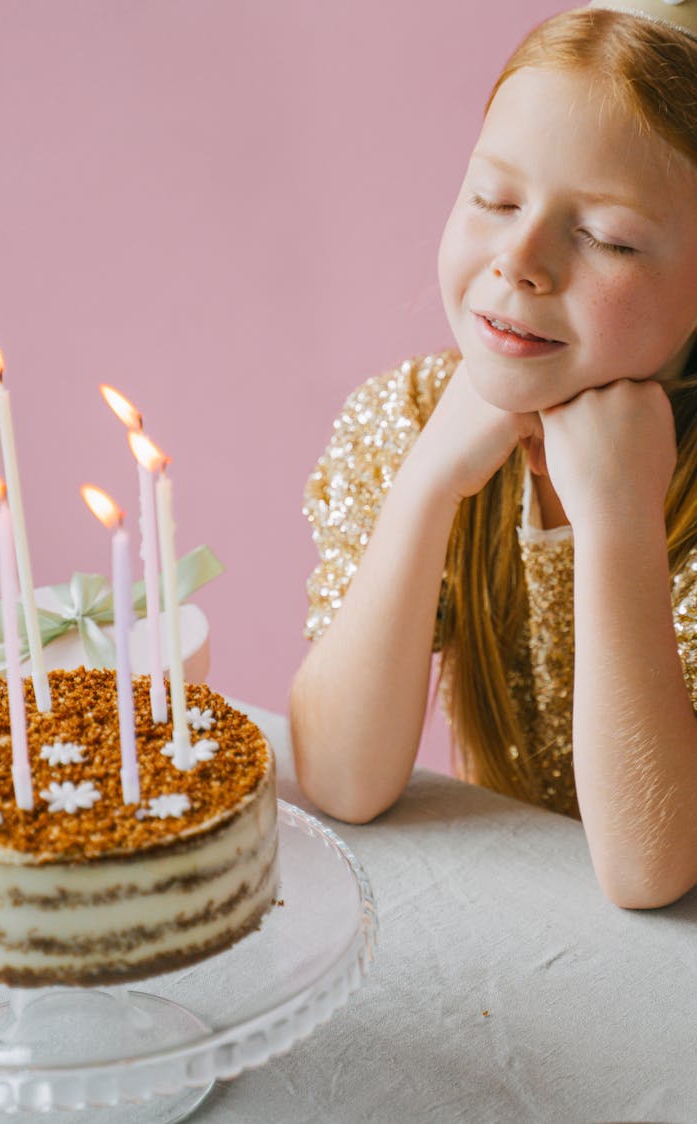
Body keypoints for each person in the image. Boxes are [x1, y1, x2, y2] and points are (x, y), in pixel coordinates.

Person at [289, 0, 697, 909]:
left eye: (610, 238)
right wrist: (429, 483)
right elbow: (344, 782)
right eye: (494, 198)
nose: (519, 259)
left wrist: (621, 522)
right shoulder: (409, 415)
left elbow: (650, 872)